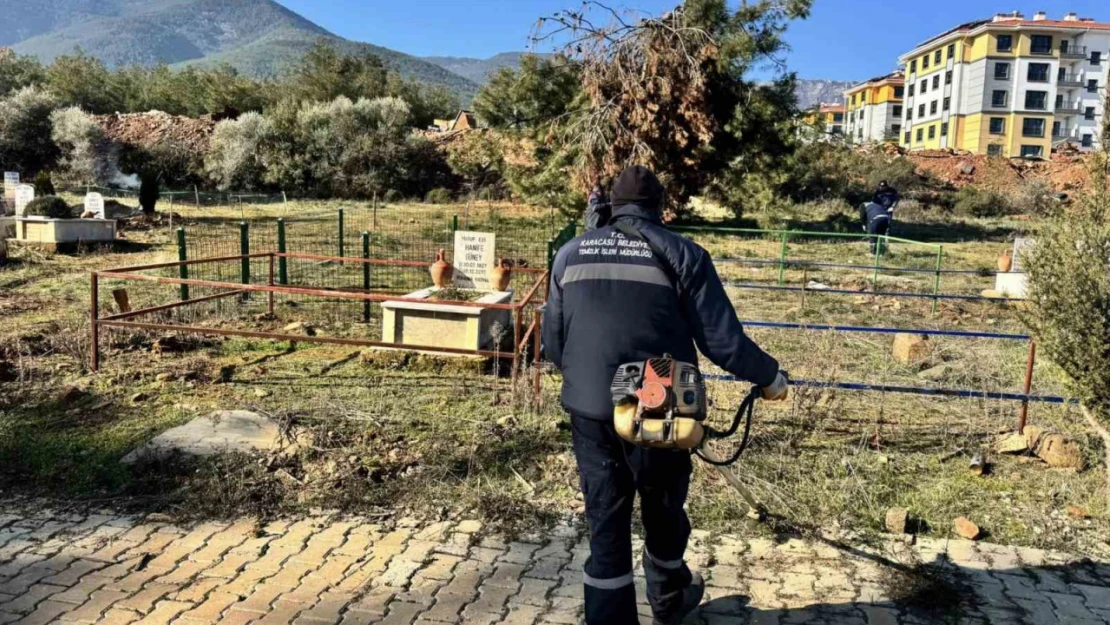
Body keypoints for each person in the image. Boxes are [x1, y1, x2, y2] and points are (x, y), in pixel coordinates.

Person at [542, 166, 788, 625]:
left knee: (606, 517)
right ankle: (670, 598)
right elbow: (723, 342)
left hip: (592, 411)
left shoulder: (569, 254)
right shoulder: (684, 254)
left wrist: (594, 384)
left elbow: (553, 346)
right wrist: (770, 377)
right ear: (661, 207)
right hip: (660, 406)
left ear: (612, 206)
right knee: (663, 507)